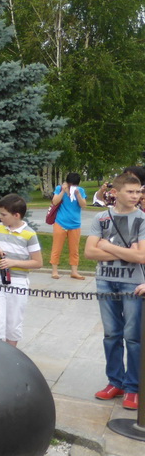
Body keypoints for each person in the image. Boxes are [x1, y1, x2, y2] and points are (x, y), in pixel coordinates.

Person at [85, 172, 144, 411]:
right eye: (130, 191)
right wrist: (126, 252)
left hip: (133, 284)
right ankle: (115, 382)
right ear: (115, 193)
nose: (136, 196)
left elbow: (141, 256)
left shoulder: (142, 219)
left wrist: (107, 246)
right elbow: (90, 252)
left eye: (138, 192)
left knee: (133, 337)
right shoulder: (100, 218)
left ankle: (133, 387)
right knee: (111, 334)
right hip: (105, 281)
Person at [0, 194, 43, 347]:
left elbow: (38, 262)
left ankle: (10, 356)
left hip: (17, 282)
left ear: (16, 215)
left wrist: (13, 262)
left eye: (3, 214)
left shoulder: (29, 234)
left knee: (13, 321)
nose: (0, 217)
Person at [50, 172, 88, 280]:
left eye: (74, 185)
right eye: (70, 184)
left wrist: (78, 195)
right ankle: (54, 271)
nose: (72, 187)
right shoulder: (59, 188)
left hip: (75, 224)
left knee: (74, 249)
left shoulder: (80, 191)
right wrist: (63, 191)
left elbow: (83, 205)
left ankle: (74, 272)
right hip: (60, 222)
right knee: (56, 247)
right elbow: (55, 201)